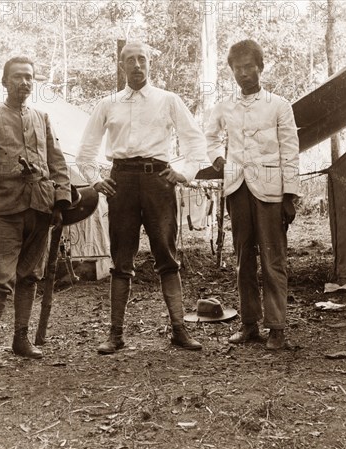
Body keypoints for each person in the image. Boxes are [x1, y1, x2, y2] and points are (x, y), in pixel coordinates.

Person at [76, 42, 207, 354]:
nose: (136, 65)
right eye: (130, 60)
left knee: (167, 254)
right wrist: (96, 179)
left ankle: (179, 329)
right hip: (120, 181)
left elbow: (194, 140)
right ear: (122, 66)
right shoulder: (108, 104)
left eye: (142, 59)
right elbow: (85, 151)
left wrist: (184, 172)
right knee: (121, 258)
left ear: (150, 64)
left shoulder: (168, 100)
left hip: (158, 181)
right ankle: (115, 334)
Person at [0, 56, 71, 368]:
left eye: (29, 77)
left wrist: (61, 199)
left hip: (40, 208)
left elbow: (57, 161)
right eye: (17, 77)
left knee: (30, 276)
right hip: (4, 209)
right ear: (4, 82)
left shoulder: (42, 117)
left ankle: (21, 339)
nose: (24, 82)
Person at [205, 39, 299, 350]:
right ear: (231, 71)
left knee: (273, 260)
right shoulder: (225, 106)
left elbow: (290, 150)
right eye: (238, 68)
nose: (244, 73)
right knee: (244, 258)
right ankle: (249, 325)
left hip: (271, 192)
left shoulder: (278, 105)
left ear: (260, 67)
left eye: (250, 66)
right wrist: (218, 160)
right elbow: (210, 135)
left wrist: (289, 196)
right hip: (237, 189)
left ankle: (276, 328)